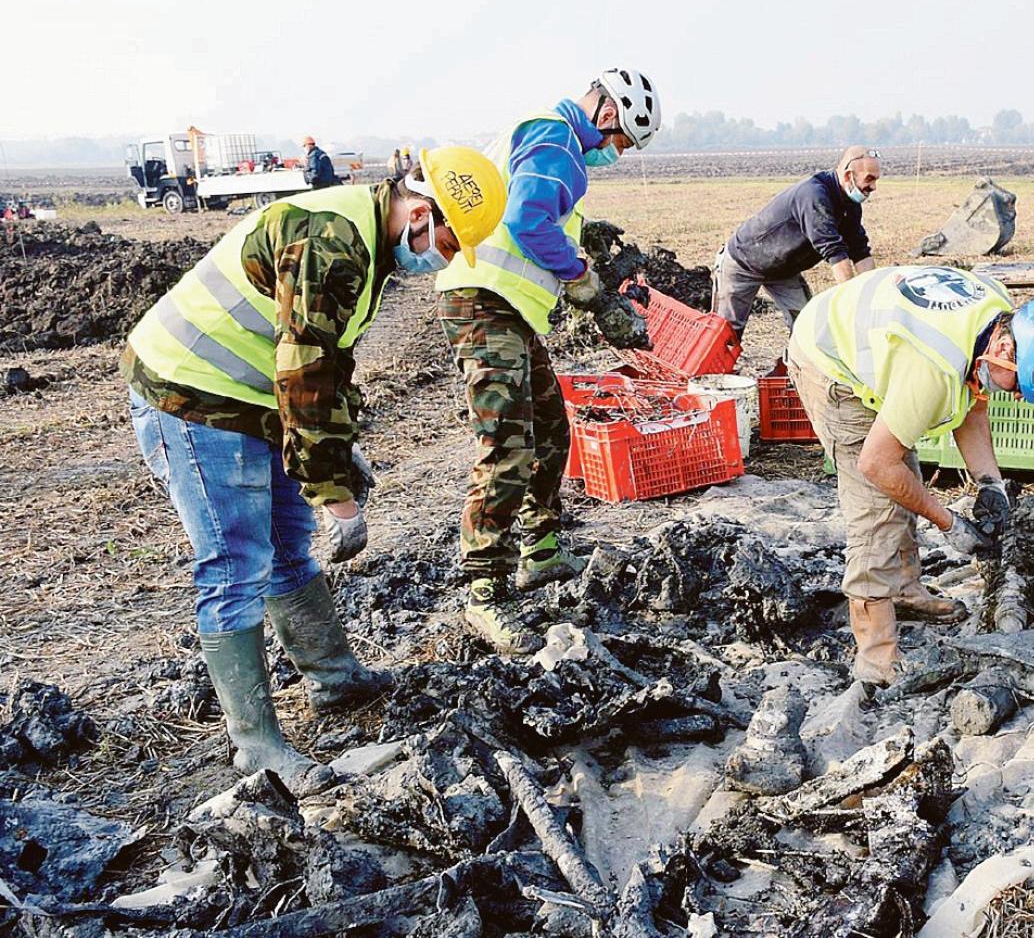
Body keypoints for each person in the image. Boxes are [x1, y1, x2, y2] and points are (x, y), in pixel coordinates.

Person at [122, 148, 507, 791]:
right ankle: (256, 746)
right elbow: (303, 372)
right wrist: (333, 492)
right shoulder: (334, 242)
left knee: (286, 547)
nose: (442, 259)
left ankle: (333, 680)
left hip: (252, 395)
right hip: (190, 393)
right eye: (446, 243)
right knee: (236, 563)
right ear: (420, 212)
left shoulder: (369, 240)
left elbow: (328, 362)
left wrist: (337, 445)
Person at [434, 68, 662, 652]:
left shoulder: (545, 134)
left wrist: (582, 237)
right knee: (508, 443)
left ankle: (540, 550)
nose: (615, 154)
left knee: (551, 428)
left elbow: (538, 210)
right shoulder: (559, 139)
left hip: (505, 307)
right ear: (608, 116)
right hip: (485, 303)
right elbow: (527, 220)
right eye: (621, 142)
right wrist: (583, 280)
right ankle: (483, 590)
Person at [787, 265, 1034, 685]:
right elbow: (876, 464)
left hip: (882, 343)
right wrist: (949, 523)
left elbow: (973, 403)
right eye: (1019, 386)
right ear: (1005, 347)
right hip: (828, 359)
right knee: (878, 507)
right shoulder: (934, 368)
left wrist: (991, 484)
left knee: (903, 476)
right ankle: (876, 656)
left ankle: (905, 592)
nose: (1019, 397)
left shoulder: (998, 318)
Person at [712, 146, 879, 336]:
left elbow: (859, 251)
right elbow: (833, 251)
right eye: (869, 179)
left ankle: (792, 356)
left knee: (806, 328)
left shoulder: (851, 205)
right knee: (726, 336)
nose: (874, 187)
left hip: (782, 270)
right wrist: (852, 302)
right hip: (744, 262)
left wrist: (871, 296)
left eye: (876, 179)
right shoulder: (814, 195)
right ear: (848, 175)